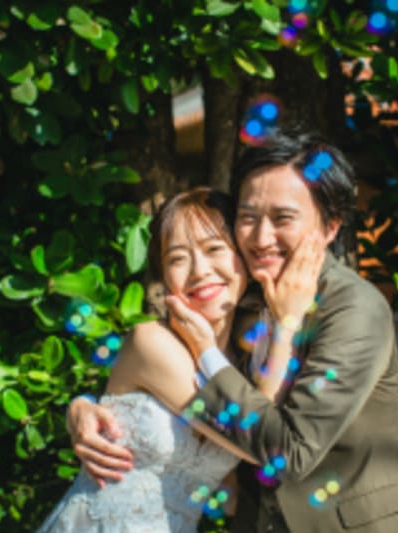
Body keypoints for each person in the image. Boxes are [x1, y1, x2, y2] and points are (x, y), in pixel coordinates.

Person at [68, 131, 398, 532]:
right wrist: (84, 408)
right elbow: (159, 378)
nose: (261, 238)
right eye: (248, 217)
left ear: (330, 227)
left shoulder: (353, 309)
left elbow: (290, 454)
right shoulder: (236, 296)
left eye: (283, 218)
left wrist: (208, 352)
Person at [38, 187, 322, 532]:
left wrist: (81, 406)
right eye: (177, 259)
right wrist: (286, 323)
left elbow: (232, 492)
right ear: (164, 278)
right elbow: (257, 441)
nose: (199, 271)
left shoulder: (243, 365)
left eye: (214, 249)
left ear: (243, 259)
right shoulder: (151, 342)